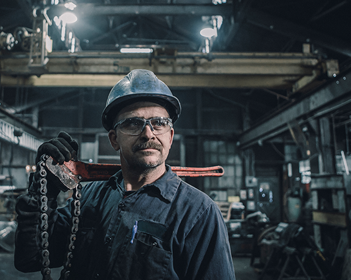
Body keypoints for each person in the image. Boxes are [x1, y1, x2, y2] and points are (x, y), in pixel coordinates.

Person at [14, 69, 236, 280]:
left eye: (159, 123)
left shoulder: (199, 213)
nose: (148, 133)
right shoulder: (89, 198)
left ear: (170, 136)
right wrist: (41, 195)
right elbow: (30, 259)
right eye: (133, 123)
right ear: (113, 139)